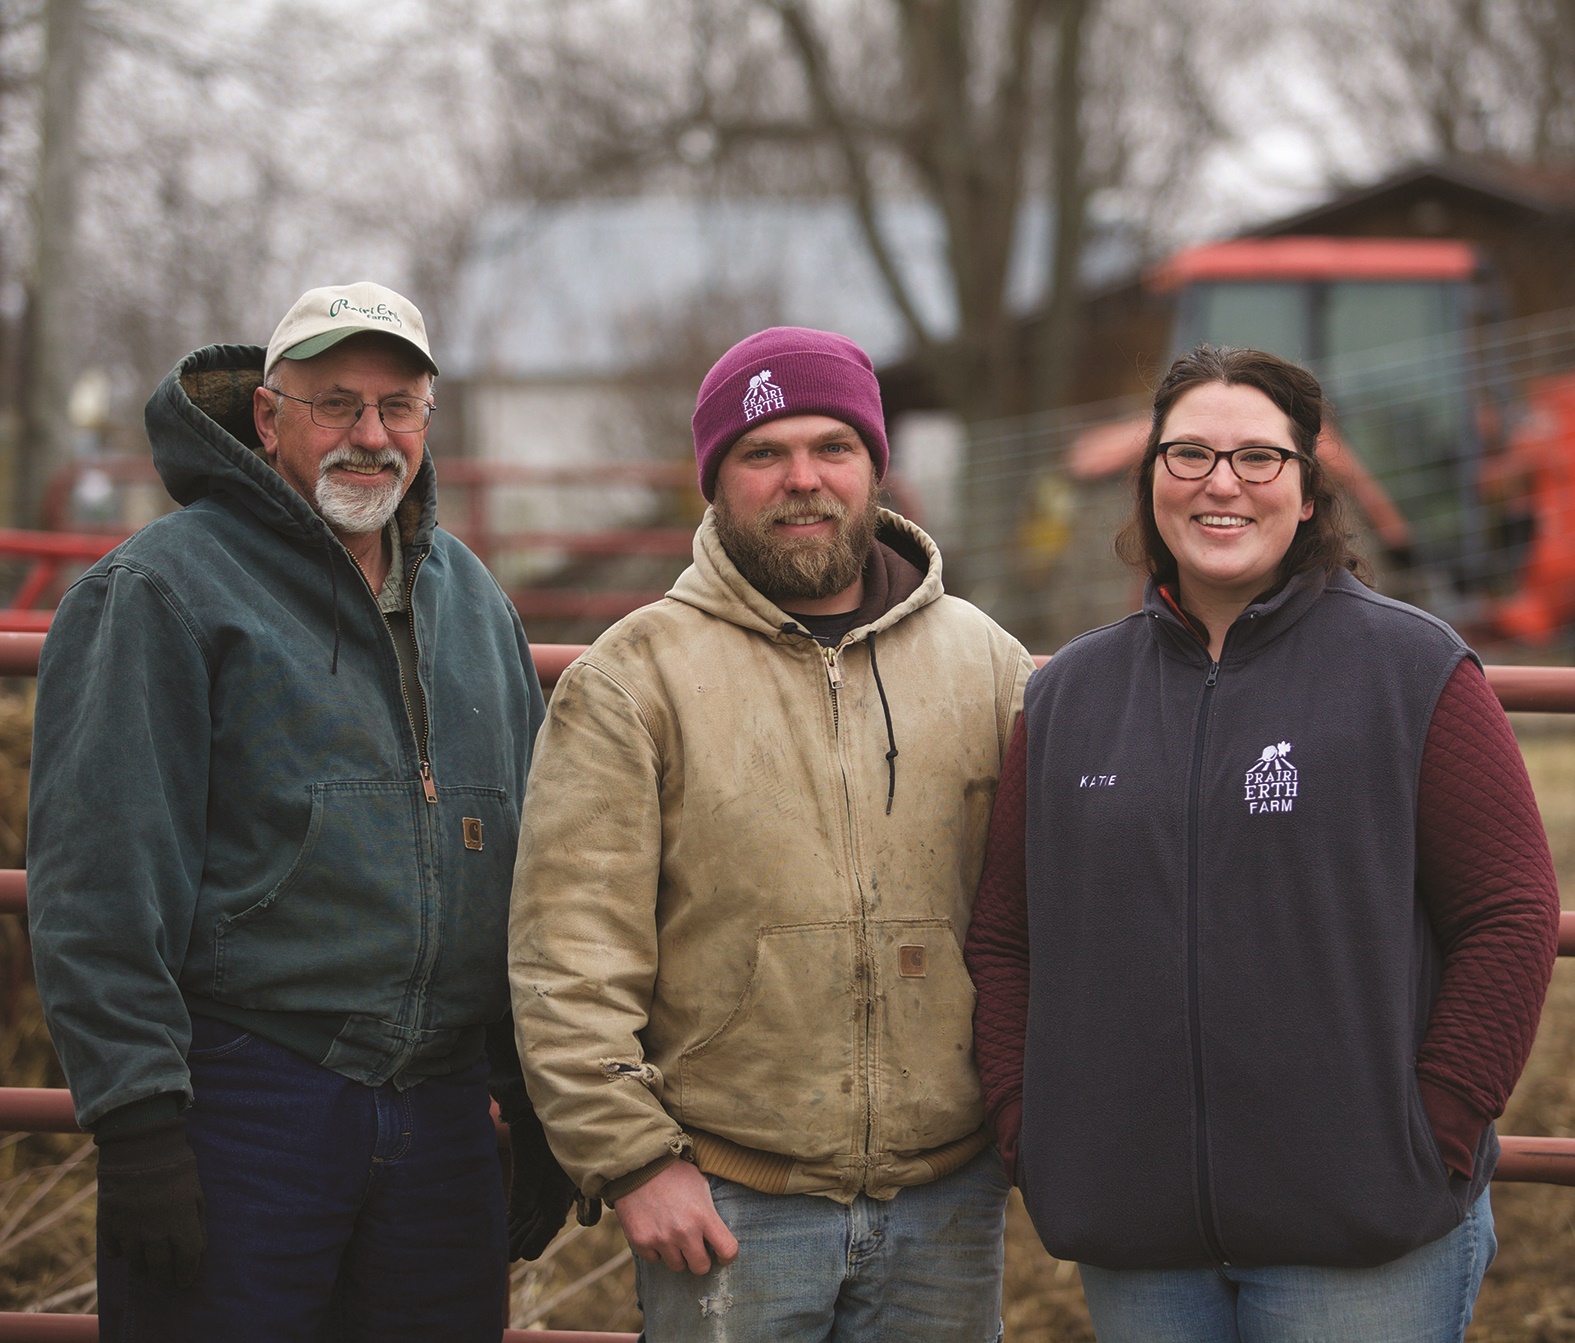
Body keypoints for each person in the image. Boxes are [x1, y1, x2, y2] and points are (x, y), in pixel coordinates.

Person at [965, 344, 1563, 1343]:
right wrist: (1035, 1128)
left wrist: (1438, 1128)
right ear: (1152, 474)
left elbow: (1509, 911)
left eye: (1258, 457)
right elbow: (1004, 934)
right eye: (1190, 452)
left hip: (1359, 1235)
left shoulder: (1411, 670)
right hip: (1139, 1236)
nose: (1221, 483)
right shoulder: (1070, 692)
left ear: (1308, 484)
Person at [28, 282, 577, 1342]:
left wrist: (530, 1090)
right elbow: (98, 878)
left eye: (399, 406)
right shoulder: (161, 591)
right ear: (269, 419)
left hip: (445, 1107)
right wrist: (138, 1122)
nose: (370, 436)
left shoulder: (473, 603)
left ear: (427, 420)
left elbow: (521, 865)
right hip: (249, 1094)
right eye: (336, 403)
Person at [509, 326, 1035, 1341]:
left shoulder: (989, 665)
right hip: (726, 1203)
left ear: (876, 469)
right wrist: (632, 1160)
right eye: (763, 453)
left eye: (832, 448)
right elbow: (566, 953)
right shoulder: (633, 678)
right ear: (714, 479)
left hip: (949, 1201)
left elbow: (1047, 913)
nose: (803, 480)